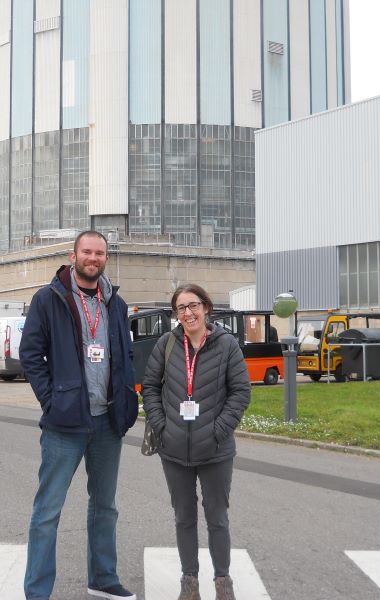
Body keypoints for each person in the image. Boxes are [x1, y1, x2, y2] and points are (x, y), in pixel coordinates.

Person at [19, 230, 139, 600]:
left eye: (100, 253)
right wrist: (51, 401)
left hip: (107, 422)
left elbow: (125, 354)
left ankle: (102, 579)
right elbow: (30, 355)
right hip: (65, 423)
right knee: (48, 511)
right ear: (74, 255)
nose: (93, 258)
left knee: (105, 506)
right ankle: (37, 592)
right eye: (87, 251)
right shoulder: (48, 298)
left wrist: (125, 399)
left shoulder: (115, 303)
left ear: (106, 257)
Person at [142, 284, 251, 600]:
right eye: (180, 308)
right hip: (174, 450)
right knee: (183, 518)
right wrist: (163, 426)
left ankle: (222, 582)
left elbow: (241, 392)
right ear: (176, 314)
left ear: (206, 307)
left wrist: (219, 430)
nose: (187, 313)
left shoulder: (226, 345)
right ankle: (189, 583)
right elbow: (149, 387)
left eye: (192, 305)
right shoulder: (167, 344)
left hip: (216, 450)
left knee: (217, 518)